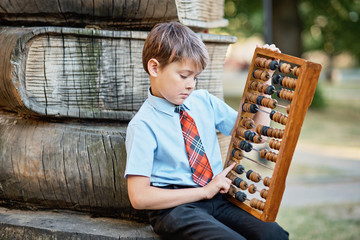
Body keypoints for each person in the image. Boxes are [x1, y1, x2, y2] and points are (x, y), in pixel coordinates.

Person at [125, 21, 289, 240]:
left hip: (217, 199)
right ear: (154, 68)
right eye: (184, 76)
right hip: (175, 208)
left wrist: (265, 79)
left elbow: (256, 135)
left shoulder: (203, 101)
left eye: (195, 77)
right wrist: (204, 191)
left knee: (274, 235)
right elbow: (139, 197)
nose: (191, 85)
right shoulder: (143, 125)